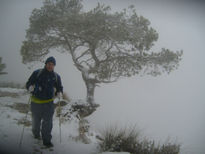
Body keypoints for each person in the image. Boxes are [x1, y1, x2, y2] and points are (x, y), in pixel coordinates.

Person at [26, 56, 63, 147]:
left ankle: (46, 140)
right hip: (36, 102)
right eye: (49, 64)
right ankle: (36, 133)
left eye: (52, 65)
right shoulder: (37, 73)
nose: (50, 66)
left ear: (54, 66)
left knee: (48, 122)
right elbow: (29, 83)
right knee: (36, 121)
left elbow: (59, 87)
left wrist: (59, 92)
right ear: (46, 64)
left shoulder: (56, 76)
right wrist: (29, 87)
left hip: (49, 103)